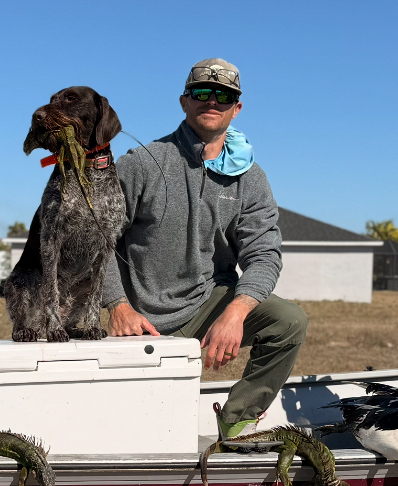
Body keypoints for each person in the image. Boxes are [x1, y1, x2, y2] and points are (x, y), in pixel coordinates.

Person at [104, 58, 306, 438]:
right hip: (142, 320)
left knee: (288, 320)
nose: (211, 101)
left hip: (207, 303)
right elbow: (98, 239)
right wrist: (118, 305)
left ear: (237, 107)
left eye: (224, 95)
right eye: (201, 93)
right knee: (144, 431)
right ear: (184, 101)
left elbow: (264, 254)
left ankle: (237, 423)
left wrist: (236, 311)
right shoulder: (142, 163)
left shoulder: (251, 177)